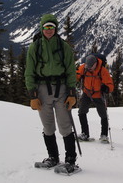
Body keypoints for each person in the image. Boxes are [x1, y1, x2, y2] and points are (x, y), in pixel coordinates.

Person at [25, 14, 78, 172]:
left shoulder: (63, 47)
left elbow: (71, 71)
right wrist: (33, 95)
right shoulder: (35, 47)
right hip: (41, 90)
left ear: (56, 29)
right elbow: (29, 71)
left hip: (61, 89)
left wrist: (72, 93)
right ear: (42, 28)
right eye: (46, 27)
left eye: (52, 27)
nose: (49, 30)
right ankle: (53, 157)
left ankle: (70, 160)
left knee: (65, 126)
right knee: (47, 127)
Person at [76, 54, 114, 142]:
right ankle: (85, 133)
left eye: (90, 67)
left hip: (98, 94)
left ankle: (104, 135)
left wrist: (107, 88)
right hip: (87, 93)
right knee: (81, 112)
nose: (88, 68)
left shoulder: (103, 71)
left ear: (95, 64)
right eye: (87, 66)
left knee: (103, 115)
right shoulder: (84, 68)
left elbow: (110, 85)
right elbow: (76, 75)